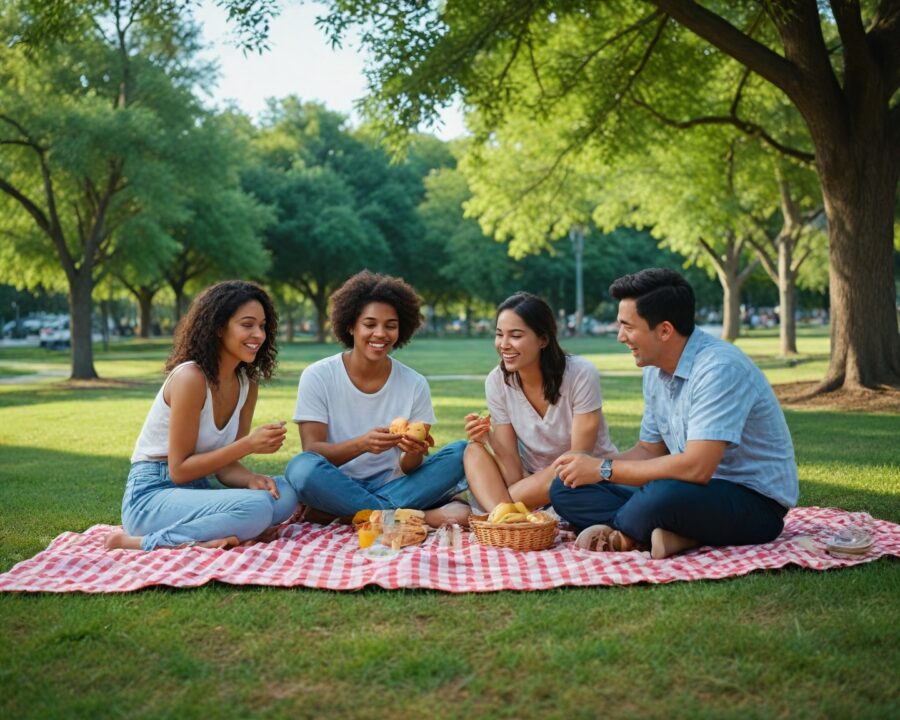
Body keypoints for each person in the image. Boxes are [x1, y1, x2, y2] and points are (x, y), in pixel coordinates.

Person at [550, 268, 798, 559]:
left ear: (665, 330)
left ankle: (630, 533)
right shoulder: (654, 370)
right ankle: (661, 533)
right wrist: (589, 468)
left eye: (628, 327)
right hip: (687, 491)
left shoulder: (719, 368)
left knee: (660, 497)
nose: (620, 337)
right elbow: (649, 450)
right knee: (565, 489)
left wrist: (604, 469)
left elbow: (697, 468)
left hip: (752, 503)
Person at [105, 281, 297, 551]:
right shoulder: (190, 378)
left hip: (197, 490)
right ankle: (139, 542)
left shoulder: (247, 384)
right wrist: (249, 444)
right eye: (247, 325)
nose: (259, 335)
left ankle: (228, 529)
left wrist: (250, 479)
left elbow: (225, 467)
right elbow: (179, 470)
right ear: (219, 328)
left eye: (263, 326)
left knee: (284, 494)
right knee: (258, 507)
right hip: (152, 494)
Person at [284, 270, 468, 527]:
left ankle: (348, 514)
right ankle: (414, 515)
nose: (380, 334)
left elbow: (409, 467)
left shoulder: (414, 384)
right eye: (370, 324)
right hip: (337, 485)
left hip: (396, 484)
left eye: (390, 326)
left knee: (462, 452)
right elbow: (313, 451)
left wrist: (413, 452)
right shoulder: (318, 376)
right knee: (301, 467)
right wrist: (363, 444)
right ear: (351, 326)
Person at [463, 292, 616, 512]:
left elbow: (578, 458)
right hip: (528, 482)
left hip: (578, 482)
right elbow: (513, 471)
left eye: (515, 335)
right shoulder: (497, 381)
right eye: (499, 334)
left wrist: (513, 493)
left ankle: (501, 511)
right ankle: (507, 513)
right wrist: (489, 437)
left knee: (562, 467)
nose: (503, 344)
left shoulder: (581, 373)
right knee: (472, 451)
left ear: (543, 339)